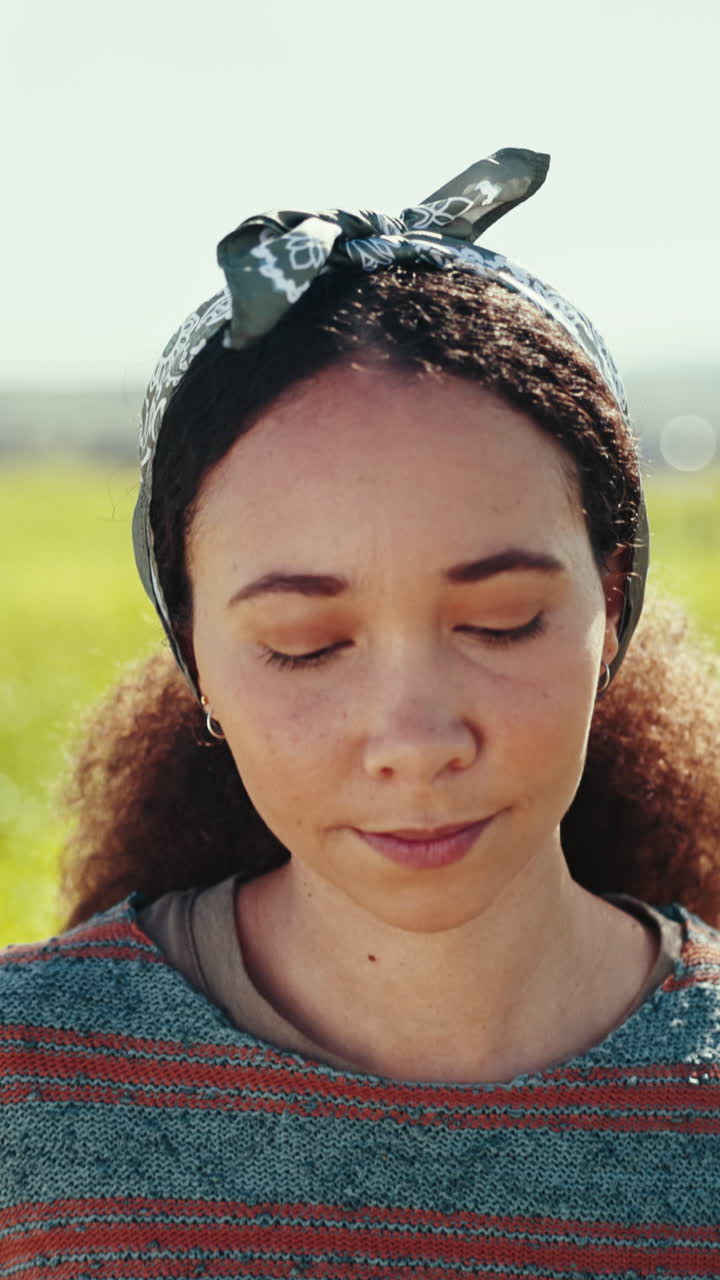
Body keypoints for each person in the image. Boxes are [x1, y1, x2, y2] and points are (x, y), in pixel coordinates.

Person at [2, 148, 719, 1275]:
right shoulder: (28, 1089)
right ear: (196, 654)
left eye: (502, 622)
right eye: (306, 645)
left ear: (612, 599)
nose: (416, 741)